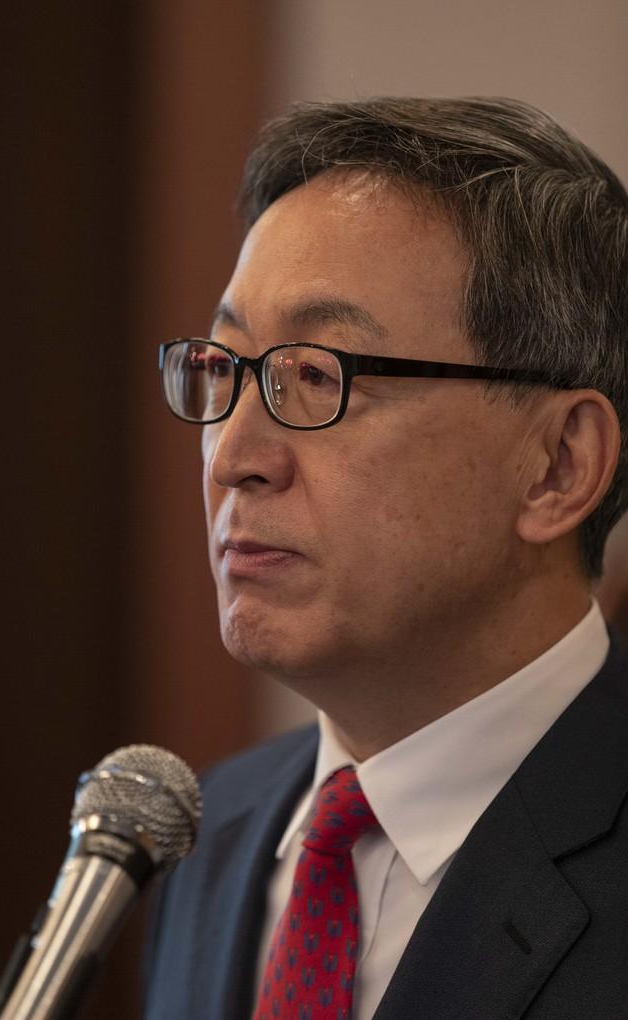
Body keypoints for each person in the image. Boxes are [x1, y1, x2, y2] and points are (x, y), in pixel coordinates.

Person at [145, 97, 628, 1019]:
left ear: (558, 465)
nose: (234, 456)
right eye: (225, 369)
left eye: (317, 375)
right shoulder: (204, 833)